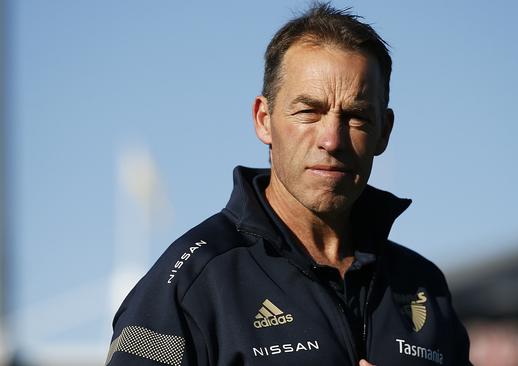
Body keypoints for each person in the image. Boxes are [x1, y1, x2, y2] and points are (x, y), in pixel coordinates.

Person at [106, 3, 471, 365]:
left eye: (357, 116)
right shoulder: (191, 283)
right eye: (308, 112)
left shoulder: (423, 285)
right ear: (264, 120)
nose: (332, 139)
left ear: (384, 132)